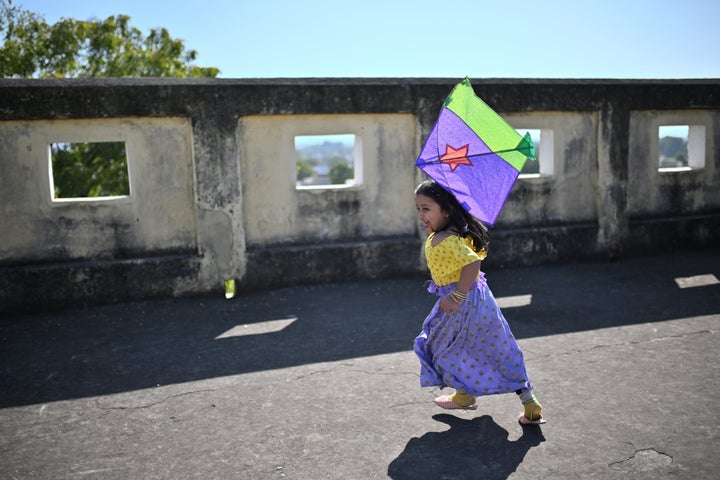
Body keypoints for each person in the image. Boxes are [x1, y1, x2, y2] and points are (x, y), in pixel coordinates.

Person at [413, 179, 545, 425]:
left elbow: (473, 263)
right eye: (419, 209)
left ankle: (465, 395)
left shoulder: (447, 238)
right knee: (496, 348)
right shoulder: (452, 234)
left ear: (447, 210)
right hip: (478, 300)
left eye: (426, 209)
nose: (421, 215)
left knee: (439, 345)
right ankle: (528, 402)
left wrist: (457, 295)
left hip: (462, 301)